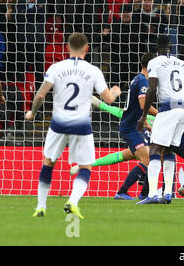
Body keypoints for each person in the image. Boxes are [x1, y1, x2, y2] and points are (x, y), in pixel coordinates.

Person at [27, 33, 121, 218]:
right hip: (81, 125)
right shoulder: (93, 70)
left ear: (67, 48)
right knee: (85, 168)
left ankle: (40, 207)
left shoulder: (56, 67)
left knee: (48, 163)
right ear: (86, 48)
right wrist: (115, 92)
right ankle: (72, 201)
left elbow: (40, 95)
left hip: (58, 124)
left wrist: (33, 113)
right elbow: (108, 99)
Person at [136, 34, 184, 204]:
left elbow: (152, 89)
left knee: (154, 149)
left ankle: (152, 193)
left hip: (169, 109)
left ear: (156, 48)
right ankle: (168, 193)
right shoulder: (182, 63)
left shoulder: (154, 62)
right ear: (171, 47)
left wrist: (144, 115)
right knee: (169, 150)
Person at [113, 52, 158, 200]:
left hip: (136, 126)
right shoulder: (143, 81)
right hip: (130, 128)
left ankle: (145, 193)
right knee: (148, 160)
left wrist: (146, 123)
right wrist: (160, 114)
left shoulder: (138, 79)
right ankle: (122, 192)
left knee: (155, 156)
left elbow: (138, 108)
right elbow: (143, 104)